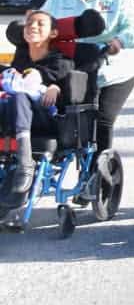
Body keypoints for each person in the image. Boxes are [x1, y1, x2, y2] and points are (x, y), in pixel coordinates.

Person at [43, 0, 134, 149]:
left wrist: (119, 40)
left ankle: (103, 176)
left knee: (102, 121)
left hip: (113, 70)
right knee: (63, 121)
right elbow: (42, 24)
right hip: (74, 68)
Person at [0, 11, 77, 211]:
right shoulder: (20, 62)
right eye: (29, 24)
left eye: (40, 24)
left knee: (20, 96)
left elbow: (70, 93)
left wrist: (56, 87)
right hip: (15, 119)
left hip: (47, 120)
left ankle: (25, 163)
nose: (32, 27)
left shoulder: (61, 61)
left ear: (53, 33)